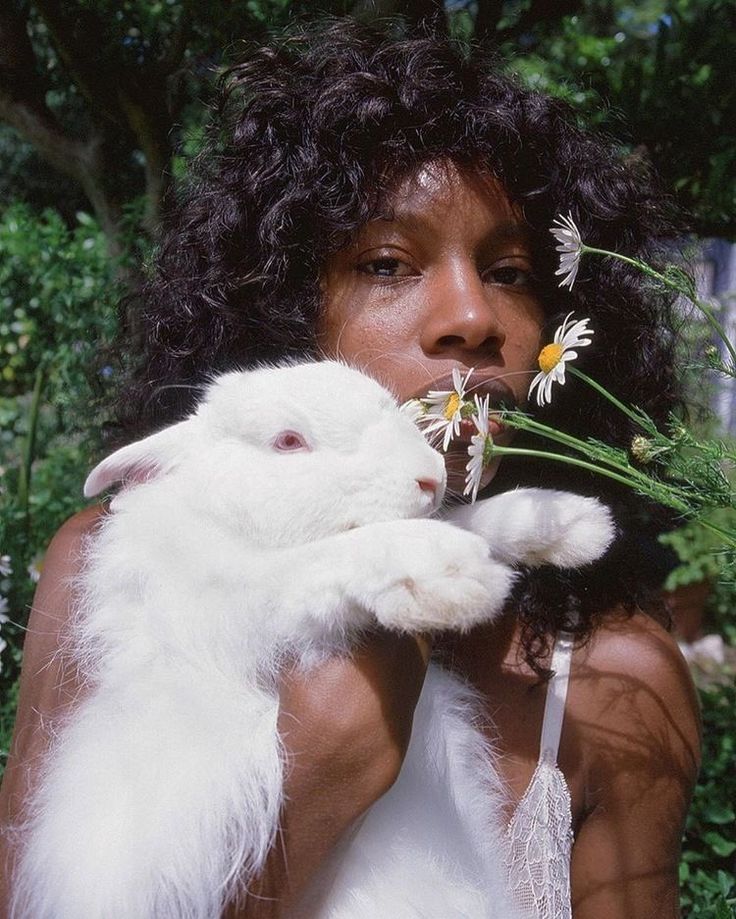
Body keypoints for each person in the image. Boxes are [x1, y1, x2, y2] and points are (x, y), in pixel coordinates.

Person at [0, 20, 701, 918]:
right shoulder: (111, 571)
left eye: (514, 270)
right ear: (290, 310)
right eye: (386, 262)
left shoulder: (615, 681)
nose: (472, 316)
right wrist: (320, 777)